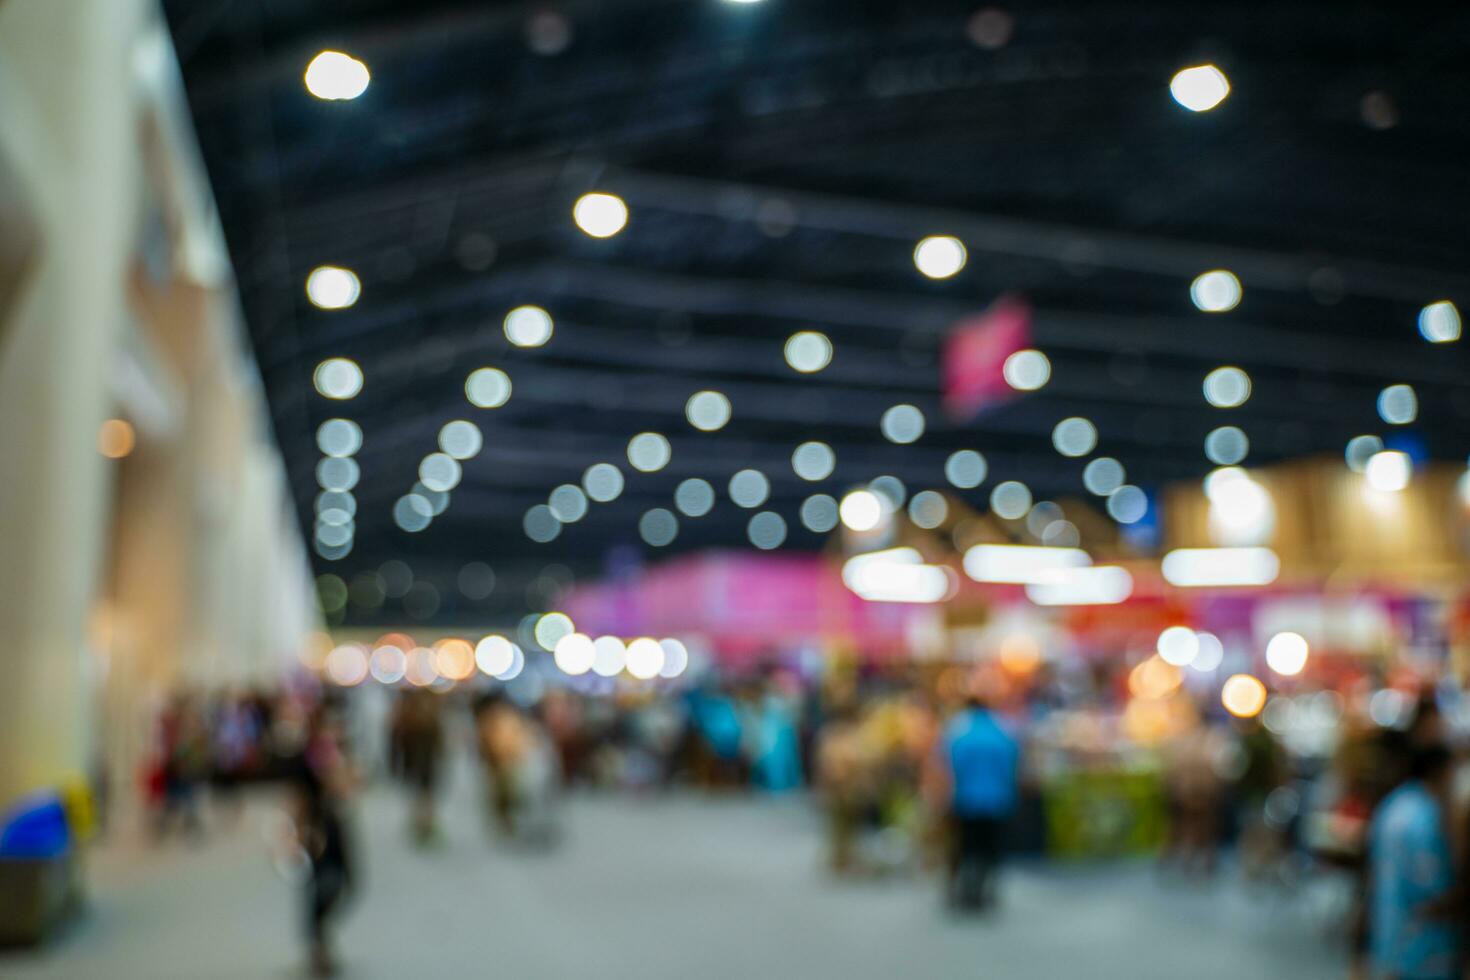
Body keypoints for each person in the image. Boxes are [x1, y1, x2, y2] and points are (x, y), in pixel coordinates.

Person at [1368, 744, 1458, 980]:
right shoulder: (1426, 815)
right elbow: (1431, 884)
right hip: (1422, 943)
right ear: (1441, 772)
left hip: (1390, 929)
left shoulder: (1392, 804)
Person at [289, 704, 358, 978]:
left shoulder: (337, 753)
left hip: (337, 826)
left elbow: (349, 788)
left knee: (348, 882)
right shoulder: (311, 757)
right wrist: (297, 832)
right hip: (316, 830)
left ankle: (321, 943)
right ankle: (319, 949)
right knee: (319, 888)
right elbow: (300, 796)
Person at [943, 696, 1020, 910]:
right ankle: (987, 892)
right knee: (992, 847)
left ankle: (967, 892)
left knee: (968, 846)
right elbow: (1012, 765)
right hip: (998, 800)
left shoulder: (960, 734)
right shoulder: (1002, 734)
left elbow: (950, 766)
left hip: (967, 800)